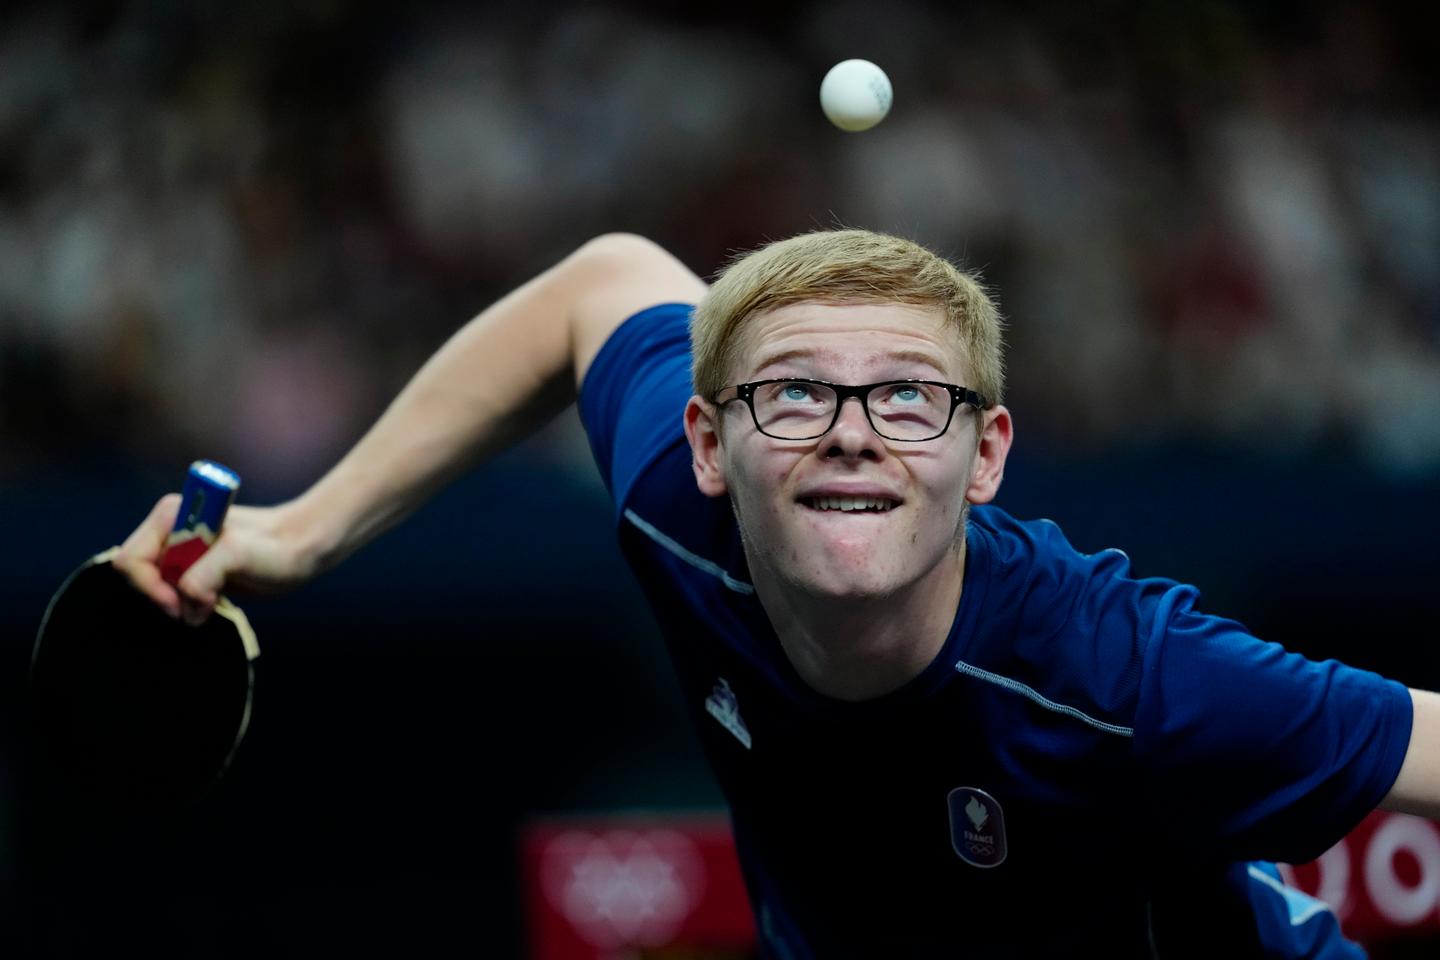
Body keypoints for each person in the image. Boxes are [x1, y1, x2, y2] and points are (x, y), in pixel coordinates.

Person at [115, 230, 1440, 957]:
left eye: (910, 398)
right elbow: (599, 284)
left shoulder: (1123, 672)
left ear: (987, 457)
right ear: (706, 442)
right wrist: (299, 536)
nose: (852, 430)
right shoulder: (675, 513)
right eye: (797, 391)